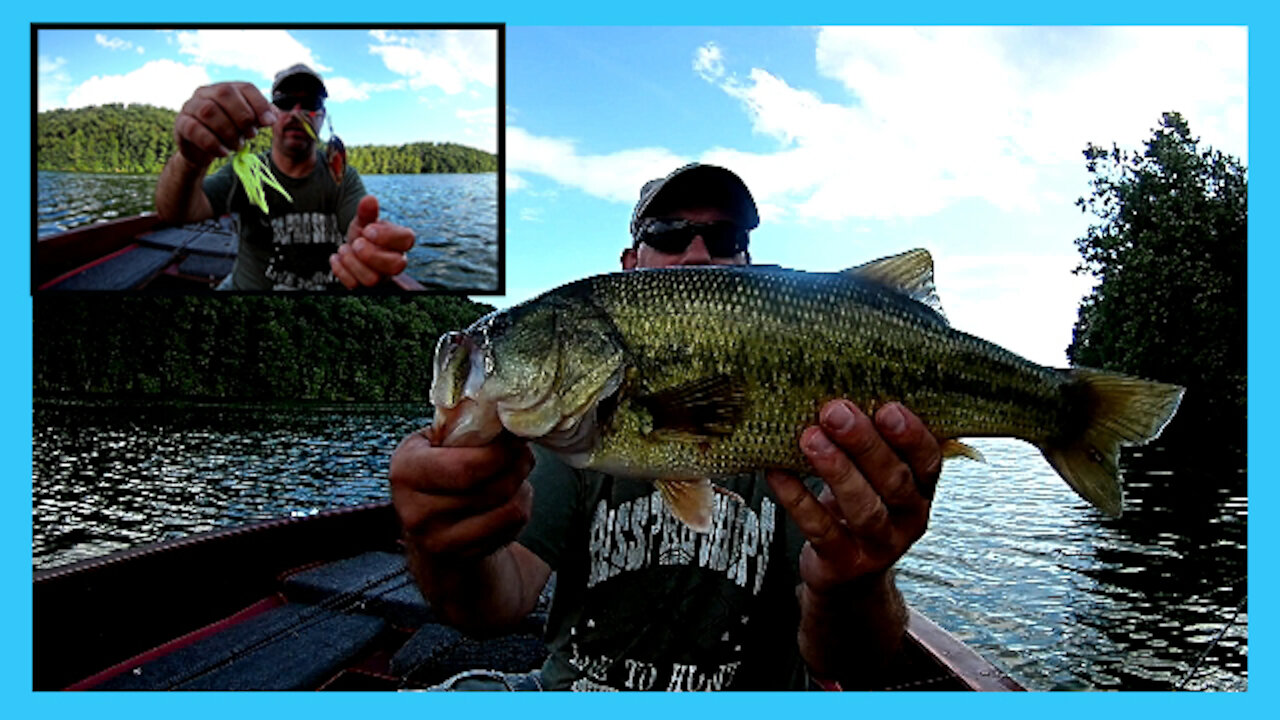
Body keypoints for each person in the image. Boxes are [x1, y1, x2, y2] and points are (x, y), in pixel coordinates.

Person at [390, 164, 942, 690]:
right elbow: (495, 605)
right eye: (669, 233)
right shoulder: (564, 425)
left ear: (748, 264)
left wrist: (858, 581)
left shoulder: (822, 439)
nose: (698, 253)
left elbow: (849, 661)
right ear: (630, 263)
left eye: (725, 238)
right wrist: (443, 549)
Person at [155, 63, 415, 290]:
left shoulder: (343, 176)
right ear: (271, 113)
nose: (297, 113)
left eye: (310, 105)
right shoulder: (244, 171)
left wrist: (368, 247)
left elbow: (359, 227)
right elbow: (174, 213)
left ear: (322, 117)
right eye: (285, 102)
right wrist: (190, 161)